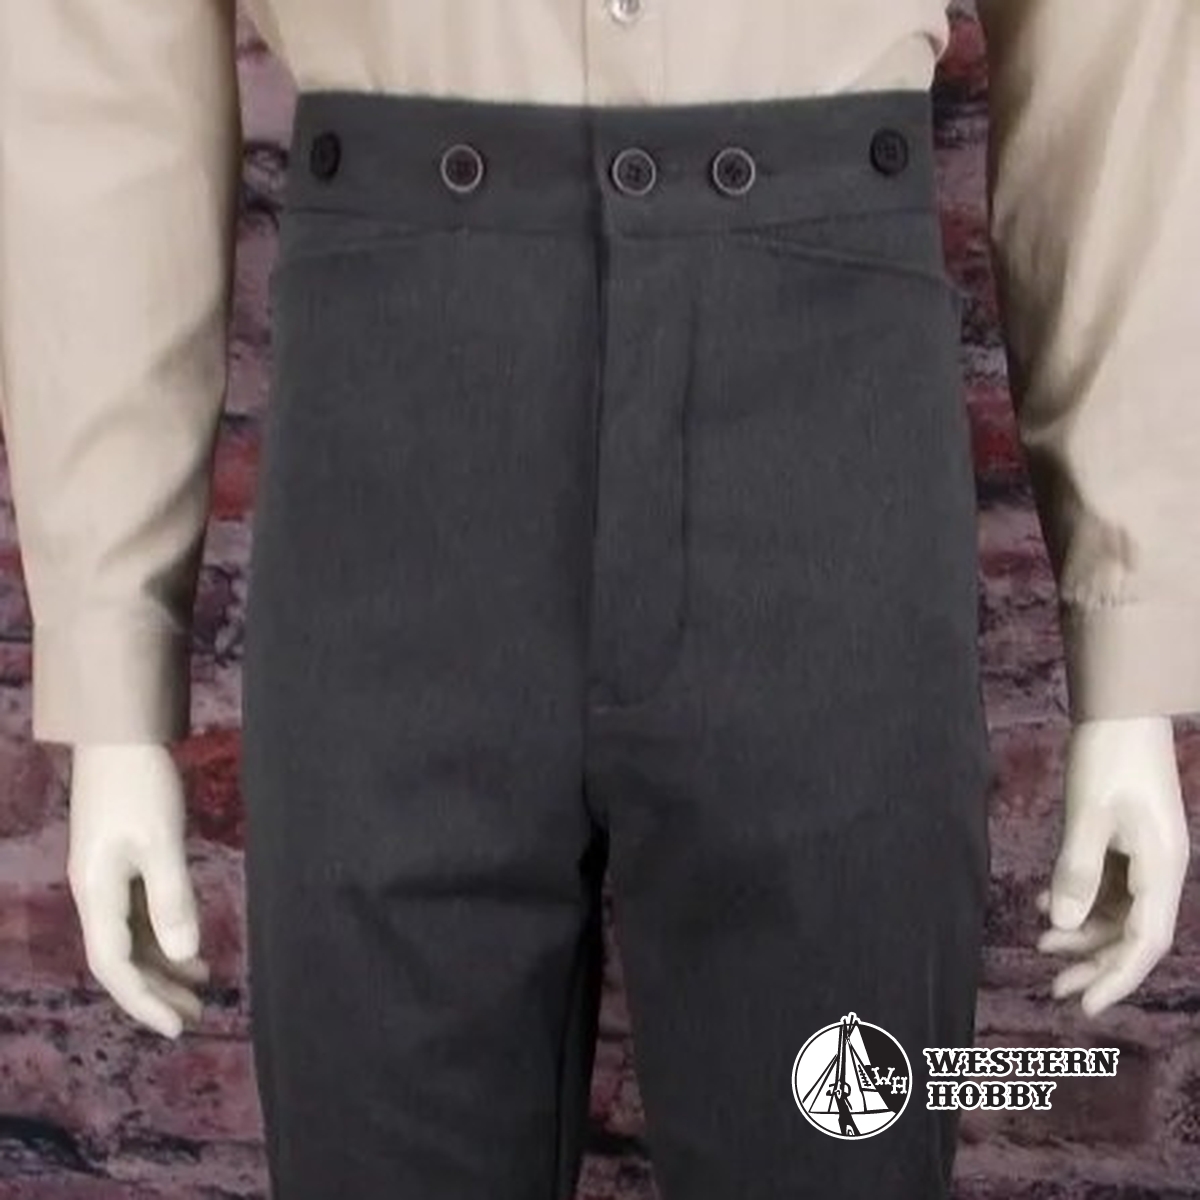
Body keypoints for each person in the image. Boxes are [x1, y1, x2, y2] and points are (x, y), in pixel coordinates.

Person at [0, 3, 1194, 1198]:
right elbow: (105, 57)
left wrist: (1129, 648)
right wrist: (113, 674)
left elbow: (1116, 55)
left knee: (838, 1148)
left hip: (825, 434)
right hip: (393, 440)